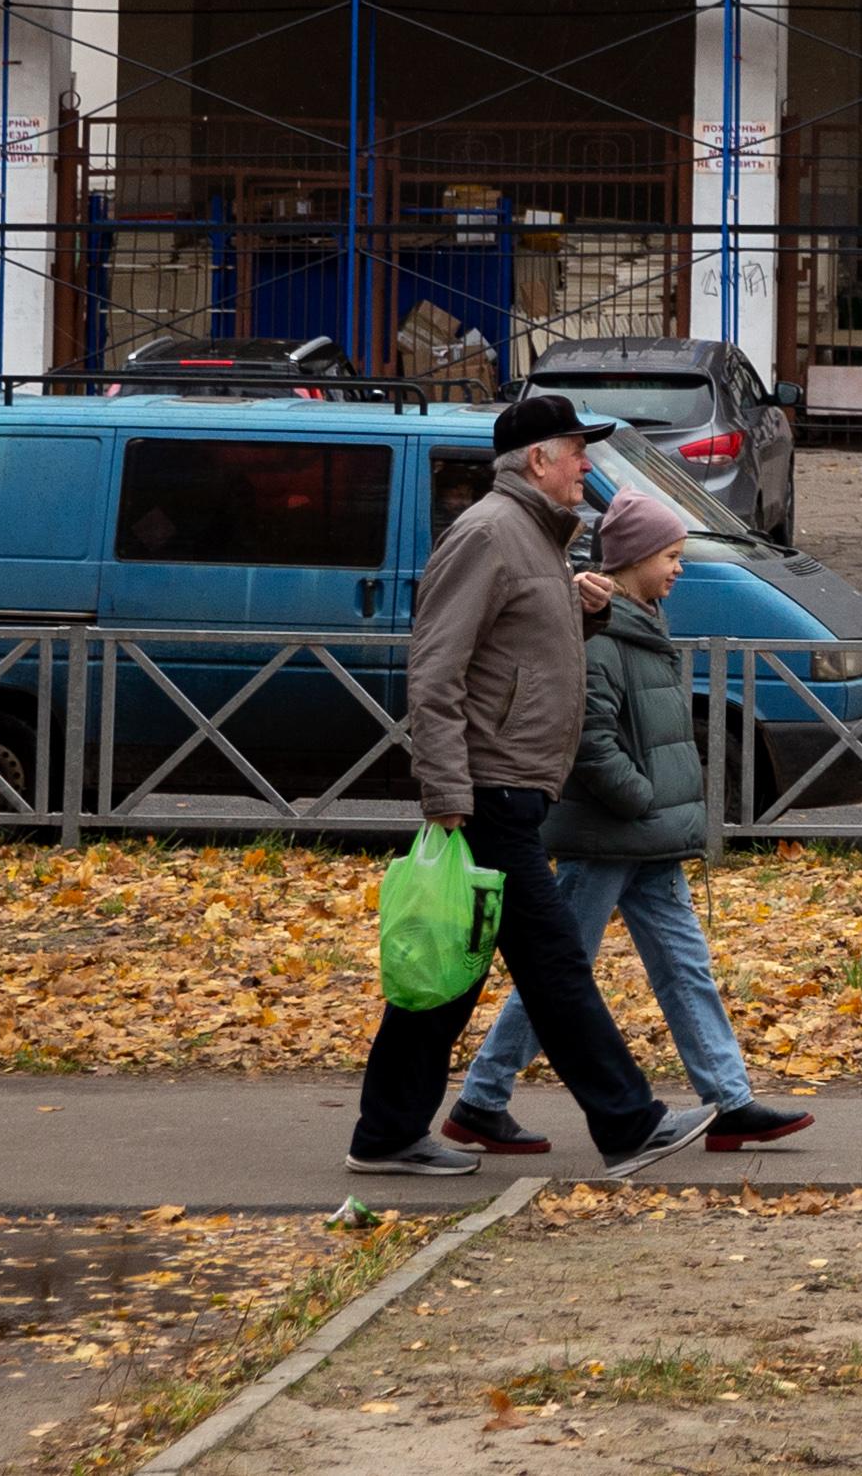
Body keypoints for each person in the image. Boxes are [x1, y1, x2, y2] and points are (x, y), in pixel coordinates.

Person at [346, 392, 712, 1179]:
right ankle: (628, 1123)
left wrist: (574, 611)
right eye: (576, 450)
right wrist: (445, 793)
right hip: (487, 792)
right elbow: (436, 668)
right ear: (537, 461)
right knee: (553, 965)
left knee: (449, 972)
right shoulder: (488, 534)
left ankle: (385, 1134)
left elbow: (513, 653)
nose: (587, 463)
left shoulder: (537, 540)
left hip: (510, 786)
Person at [442, 486, 816, 1157]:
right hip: (609, 835)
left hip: (644, 837)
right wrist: (641, 799)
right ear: (634, 557)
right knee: (559, 974)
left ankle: (728, 1101)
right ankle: (480, 1098)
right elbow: (589, 738)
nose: (678, 567)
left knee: (683, 966)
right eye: (670, 555)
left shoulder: (639, 622)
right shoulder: (604, 633)